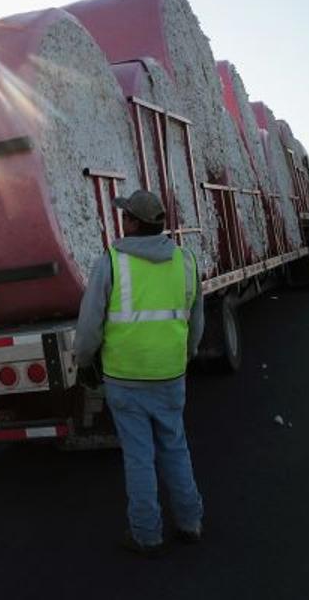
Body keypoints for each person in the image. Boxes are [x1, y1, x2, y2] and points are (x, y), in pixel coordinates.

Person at [73, 189, 206, 557]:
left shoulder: (112, 262)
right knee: (175, 447)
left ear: (133, 222)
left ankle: (147, 534)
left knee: (139, 456)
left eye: (125, 216)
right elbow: (196, 322)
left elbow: (89, 327)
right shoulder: (186, 260)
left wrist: (84, 362)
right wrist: (187, 354)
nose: (122, 221)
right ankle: (190, 521)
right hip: (170, 374)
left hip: (125, 378)